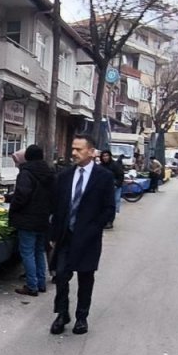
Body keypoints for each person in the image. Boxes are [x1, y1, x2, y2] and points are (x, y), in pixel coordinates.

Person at [49, 135, 116, 335]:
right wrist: (53, 234)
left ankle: (81, 317)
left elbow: (109, 209)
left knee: (86, 279)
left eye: (78, 149)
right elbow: (57, 207)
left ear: (91, 151)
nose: (74, 153)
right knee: (60, 276)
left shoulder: (103, 177)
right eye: (73, 148)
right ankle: (62, 314)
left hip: (88, 239)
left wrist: (93, 228)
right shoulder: (65, 176)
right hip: (65, 237)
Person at [9, 145, 55, 297]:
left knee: (27, 252)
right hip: (43, 219)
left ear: (27, 157)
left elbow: (22, 195)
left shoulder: (26, 173)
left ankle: (32, 286)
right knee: (39, 251)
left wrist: (13, 208)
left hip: (27, 219)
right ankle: (41, 283)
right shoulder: (49, 172)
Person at [98, 150, 124, 228]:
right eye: (103, 156)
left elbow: (120, 176)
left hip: (114, 188)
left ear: (110, 156)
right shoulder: (100, 166)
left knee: (112, 205)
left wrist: (117, 185)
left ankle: (110, 221)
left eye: (107, 155)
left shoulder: (115, 165)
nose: (105, 157)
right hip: (102, 189)